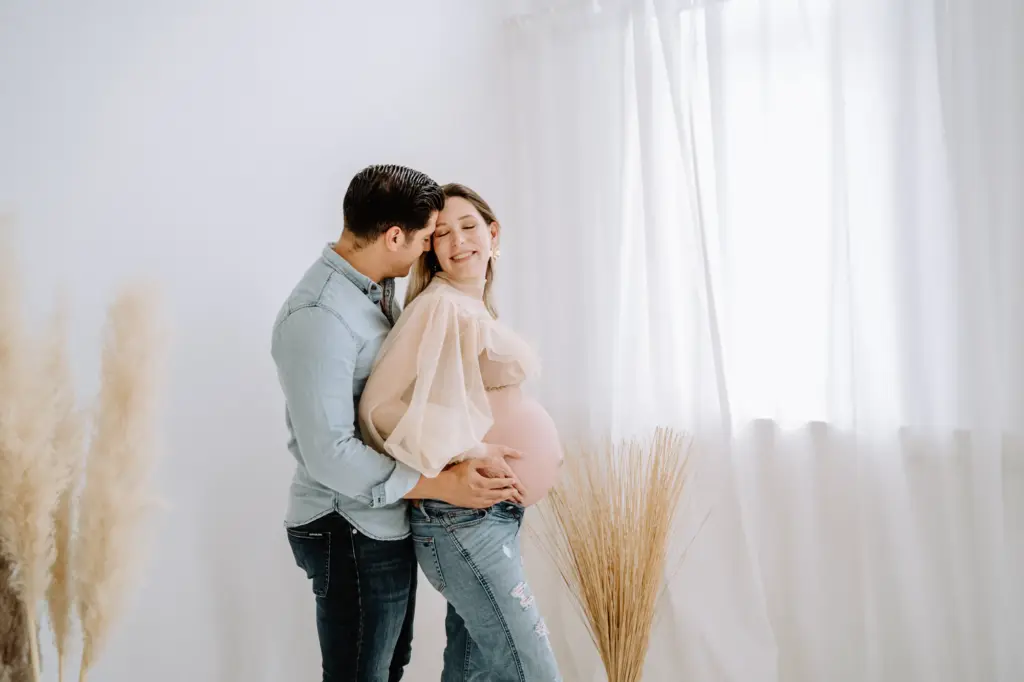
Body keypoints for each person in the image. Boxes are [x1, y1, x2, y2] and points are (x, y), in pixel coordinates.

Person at [271, 166, 526, 682]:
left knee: (388, 669)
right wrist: (441, 485)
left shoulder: (374, 291)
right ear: (394, 237)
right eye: (429, 237)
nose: (432, 250)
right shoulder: (320, 316)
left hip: (379, 520)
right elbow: (330, 454)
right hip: (347, 524)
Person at [359, 183, 564, 681]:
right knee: (532, 670)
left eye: (468, 227)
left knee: (471, 673)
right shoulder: (440, 306)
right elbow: (380, 407)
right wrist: (467, 449)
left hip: (488, 518)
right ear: (431, 248)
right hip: (461, 520)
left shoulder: (471, 305)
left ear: (492, 233)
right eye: (442, 234)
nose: (458, 242)